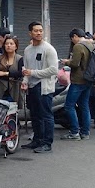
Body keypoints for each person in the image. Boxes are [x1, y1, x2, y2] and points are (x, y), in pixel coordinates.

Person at [21, 21, 59, 153]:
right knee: (35, 115)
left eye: (41, 30)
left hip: (43, 87)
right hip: (31, 87)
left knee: (46, 115)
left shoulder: (48, 49)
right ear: (30, 33)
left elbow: (54, 70)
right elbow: (26, 68)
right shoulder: (27, 49)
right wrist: (25, 80)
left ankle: (47, 143)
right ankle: (37, 139)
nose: (39, 33)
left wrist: (33, 73)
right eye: (36, 31)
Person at [61, 28, 94, 141]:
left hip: (78, 80)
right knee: (84, 106)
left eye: (72, 39)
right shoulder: (91, 44)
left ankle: (74, 132)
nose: (72, 41)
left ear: (75, 36)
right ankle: (85, 132)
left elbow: (75, 63)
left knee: (69, 106)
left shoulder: (78, 46)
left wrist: (66, 62)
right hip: (89, 79)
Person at [0, 35, 23, 102]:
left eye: (11, 44)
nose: (8, 46)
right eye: (6, 44)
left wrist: (5, 73)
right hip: (0, 87)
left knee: (12, 109)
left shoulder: (20, 58)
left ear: (16, 46)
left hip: (14, 88)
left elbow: (20, 73)